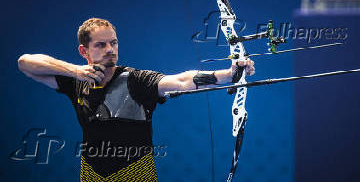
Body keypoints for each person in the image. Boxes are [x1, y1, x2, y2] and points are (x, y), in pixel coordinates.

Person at [17, 17, 255, 181]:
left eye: (114, 42)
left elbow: (182, 80)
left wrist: (228, 74)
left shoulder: (136, 80)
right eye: (101, 45)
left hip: (135, 174)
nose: (110, 49)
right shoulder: (76, 81)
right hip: (91, 175)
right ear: (84, 51)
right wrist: (75, 71)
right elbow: (25, 63)